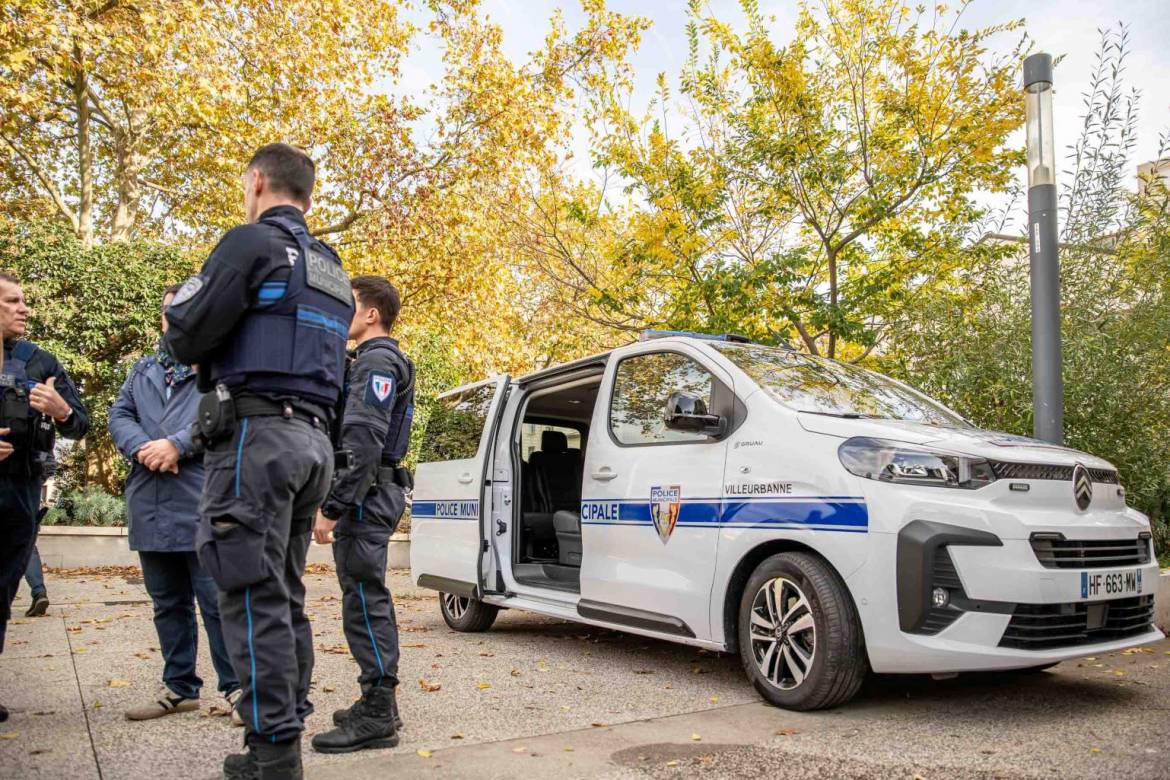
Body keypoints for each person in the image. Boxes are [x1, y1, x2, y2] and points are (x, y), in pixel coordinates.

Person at [162, 143, 353, 780]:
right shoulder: (332, 269)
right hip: (312, 445)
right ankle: (279, 727)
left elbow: (185, 333)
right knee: (282, 593)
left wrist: (175, 316)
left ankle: (273, 751)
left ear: (258, 181)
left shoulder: (251, 243)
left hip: (256, 441)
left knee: (247, 593)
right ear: (309, 194)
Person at [108, 285, 241, 723]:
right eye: (172, 312)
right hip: (150, 498)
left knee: (216, 601)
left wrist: (176, 445)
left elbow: (226, 415)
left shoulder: (220, 367)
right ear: (164, 318)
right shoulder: (142, 370)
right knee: (167, 603)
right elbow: (119, 415)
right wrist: (144, 447)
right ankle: (180, 687)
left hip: (199, 497)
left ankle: (238, 688)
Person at [310, 276, 414, 754]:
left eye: (347, 305)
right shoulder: (369, 360)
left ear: (371, 313)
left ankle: (376, 712)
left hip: (367, 496)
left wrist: (333, 506)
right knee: (363, 594)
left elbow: (363, 441)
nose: (339, 313)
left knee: (365, 599)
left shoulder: (378, 361)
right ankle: (380, 703)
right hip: (371, 493)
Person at [0, 271, 89, 723]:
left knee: (2, 591)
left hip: (18, 489)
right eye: (13, 301)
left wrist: (63, 410)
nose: (24, 308)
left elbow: (82, 424)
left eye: (24, 301)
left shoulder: (41, 362)